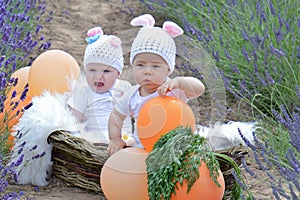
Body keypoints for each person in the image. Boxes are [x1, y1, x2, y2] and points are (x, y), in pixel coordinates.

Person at [107, 14, 205, 155]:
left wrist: (179, 82)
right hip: (142, 149)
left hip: (175, 152)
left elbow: (199, 89)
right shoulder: (132, 94)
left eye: (155, 66)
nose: (147, 71)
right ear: (133, 66)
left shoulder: (173, 90)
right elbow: (116, 116)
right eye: (140, 65)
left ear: (168, 69)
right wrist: (115, 138)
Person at [67, 26, 132, 144]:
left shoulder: (124, 87)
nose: (98, 76)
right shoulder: (84, 92)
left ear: (118, 73)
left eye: (106, 71)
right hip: (96, 142)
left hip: (124, 140)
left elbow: (137, 111)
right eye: (92, 70)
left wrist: (127, 103)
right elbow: (72, 120)